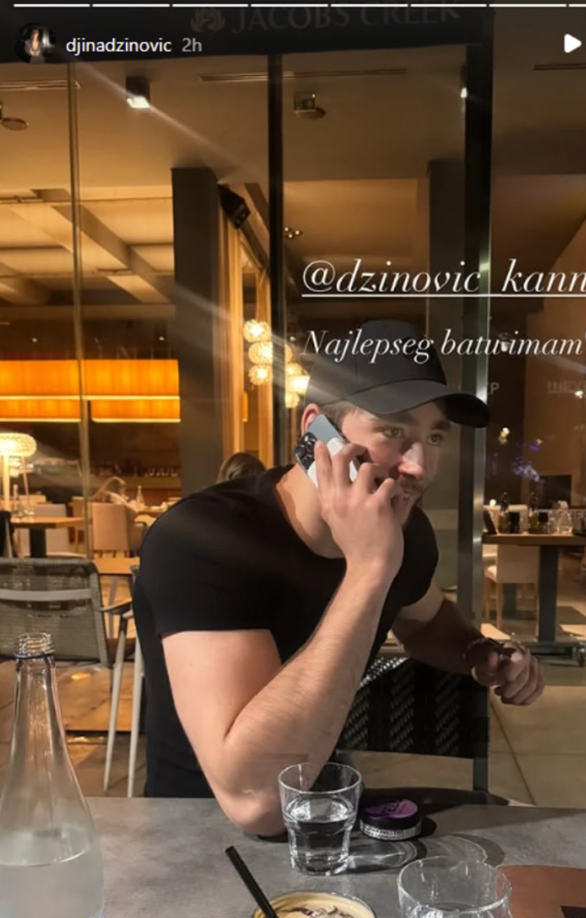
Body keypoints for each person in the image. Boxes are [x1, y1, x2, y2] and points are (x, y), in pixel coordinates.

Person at [134, 320, 544, 835]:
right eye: (393, 431)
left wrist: (476, 651)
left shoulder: (406, 532)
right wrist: (370, 569)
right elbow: (257, 802)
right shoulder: (202, 539)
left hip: (328, 812)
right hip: (195, 834)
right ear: (317, 433)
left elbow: (425, 618)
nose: (419, 466)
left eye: (434, 437)